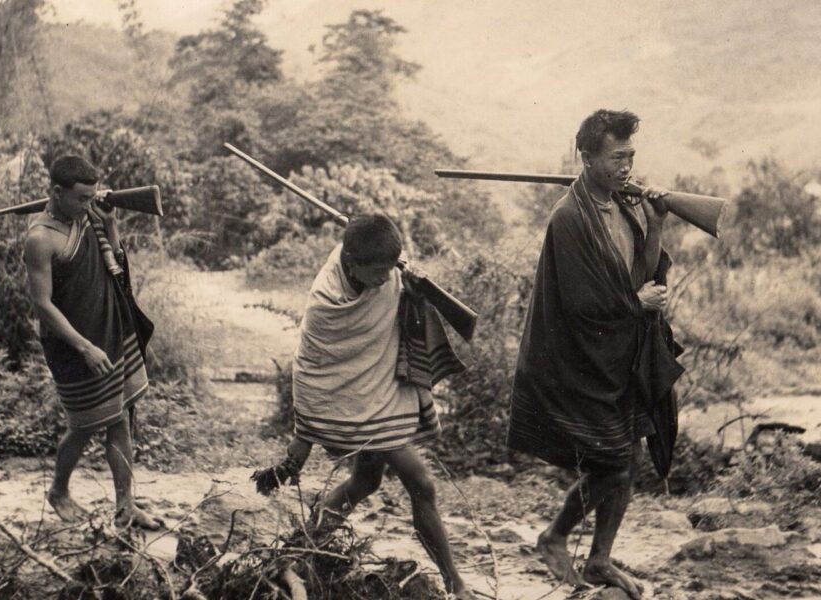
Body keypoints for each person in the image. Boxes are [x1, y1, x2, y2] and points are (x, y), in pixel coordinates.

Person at [507, 109, 685, 599]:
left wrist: (657, 226)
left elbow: (644, 271)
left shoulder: (626, 207)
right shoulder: (569, 218)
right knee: (610, 461)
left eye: (630, 156)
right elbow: (581, 303)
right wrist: (637, 304)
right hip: (579, 361)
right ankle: (556, 536)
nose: (625, 166)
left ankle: (601, 558)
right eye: (615, 157)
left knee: (626, 455)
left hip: (620, 356)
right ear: (585, 158)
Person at [250, 215, 471, 597]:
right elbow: (313, 369)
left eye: (391, 269)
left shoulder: (383, 269)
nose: (387, 280)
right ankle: (456, 584)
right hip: (352, 405)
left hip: (381, 395)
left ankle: (294, 553)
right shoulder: (326, 302)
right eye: (378, 272)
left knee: (365, 481)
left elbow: (393, 276)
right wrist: (303, 439)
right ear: (350, 262)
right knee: (421, 482)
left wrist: (416, 289)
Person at [23, 155, 161, 530]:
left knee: (119, 422)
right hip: (73, 344)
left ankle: (125, 507)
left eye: (91, 196)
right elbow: (42, 304)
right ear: (56, 192)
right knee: (84, 425)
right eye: (82, 198)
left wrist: (111, 225)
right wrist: (84, 347)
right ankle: (58, 492)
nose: (89, 204)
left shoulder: (86, 218)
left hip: (109, 329)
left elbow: (115, 264)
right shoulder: (39, 238)